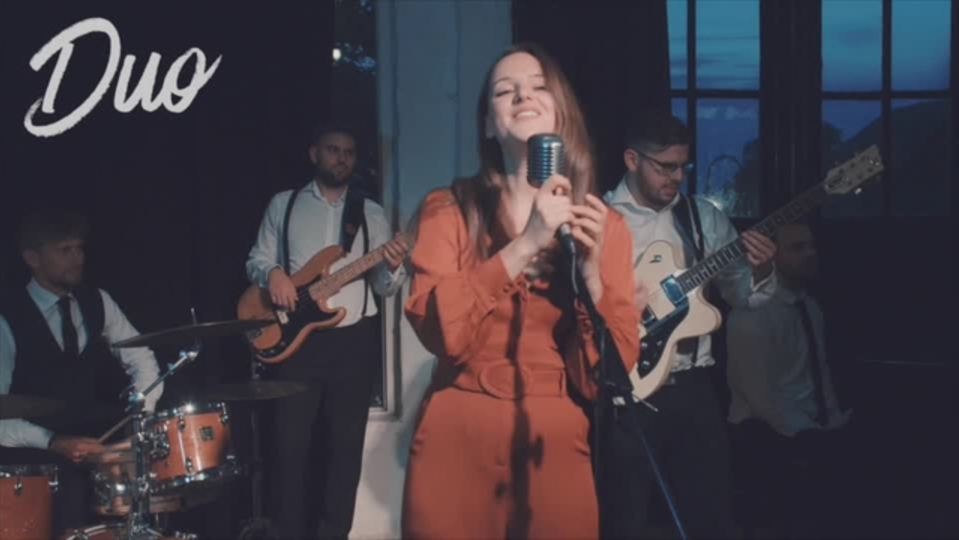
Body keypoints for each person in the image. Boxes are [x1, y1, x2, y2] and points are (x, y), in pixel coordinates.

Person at [401, 42, 641, 540]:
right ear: (489, 124)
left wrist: (591, 276)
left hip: (553, 437)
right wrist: (525, 244)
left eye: (538, 87)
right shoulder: (448, 209)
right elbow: (441, 333)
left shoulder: (604, 226)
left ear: (561, 111)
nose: (522, 96)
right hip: (457, 432)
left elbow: (606, 379)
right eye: (504, 90)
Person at [598, 109, 778, 538]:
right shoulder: (600, 217)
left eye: (683, 166)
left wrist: (762, 270)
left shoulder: (703, 218)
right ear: (631, 159)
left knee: (710, 515)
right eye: (665, 167)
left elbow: (743, 297)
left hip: (694, 386)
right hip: (625, 390)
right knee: (622, 518)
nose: (677, 177)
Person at [245, 123, 410, 540]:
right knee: (289, 450)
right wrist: (274, 273)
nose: (341, 158)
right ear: (314, 154)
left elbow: (384, 287)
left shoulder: (370, 212)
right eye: (333, 150)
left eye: (349, 152)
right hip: (295, 343)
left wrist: (393, 267)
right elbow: (257, 259)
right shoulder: (284, 204)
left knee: (344, 454)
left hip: (352, 342)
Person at [0, 207, 164, 537]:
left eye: (79, 248)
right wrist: (53, 442)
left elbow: (142, 359)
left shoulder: (97, 301)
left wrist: (140, 417)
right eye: (65, 251)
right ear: (32, 258)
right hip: (30, 465)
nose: (77, 259)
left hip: (93, 455)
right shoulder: (7, 315)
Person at [726, 221, 854, 538]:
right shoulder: (753, 314)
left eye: (811, 246)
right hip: (768, 435)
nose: (811, 253)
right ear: (772, 255)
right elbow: (758, 395)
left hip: (811, 427)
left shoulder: (809, 306)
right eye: (798, 248)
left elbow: (818, 371)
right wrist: (802, 437)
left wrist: (831, 420)